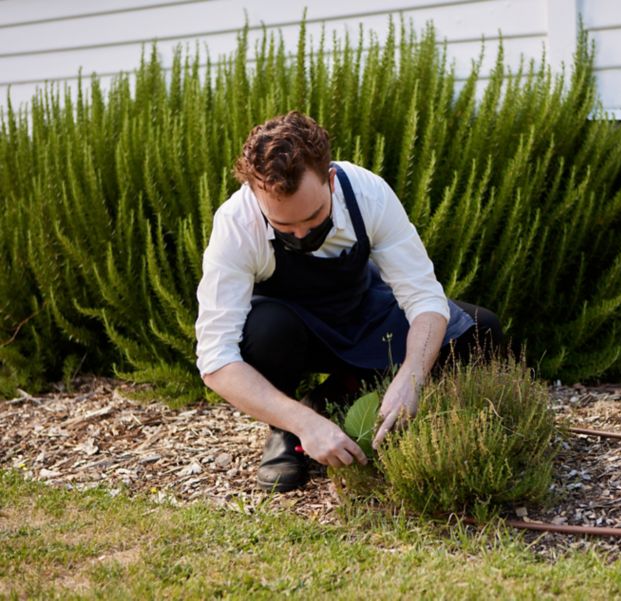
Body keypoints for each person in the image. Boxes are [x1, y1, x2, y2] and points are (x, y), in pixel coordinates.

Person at [195, 112, 502, 492]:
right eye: (285, 227)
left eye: (313, 217)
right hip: (294, 330)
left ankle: (331, 399)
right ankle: (289, 426)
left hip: (363, 311)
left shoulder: (368, 193)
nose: (303, 234)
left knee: (481, 331)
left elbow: (424, 297)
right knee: (266, 330)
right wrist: (302, 424)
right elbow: (215, 360)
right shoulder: (236, 225)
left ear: (331, 180)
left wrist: (412, 377)